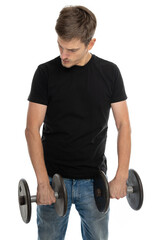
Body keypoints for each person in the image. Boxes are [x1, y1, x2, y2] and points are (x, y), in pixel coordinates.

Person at [25, 5, 131, 240]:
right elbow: (32, 129)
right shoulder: (45, 73)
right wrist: (42, 181)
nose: (63, 54)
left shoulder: (110, 73)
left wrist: (122, 176)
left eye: (71, 49)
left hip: (94, 183)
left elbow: (123, 125)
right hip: (53, 181)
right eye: (60, 45)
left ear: (90, 44)